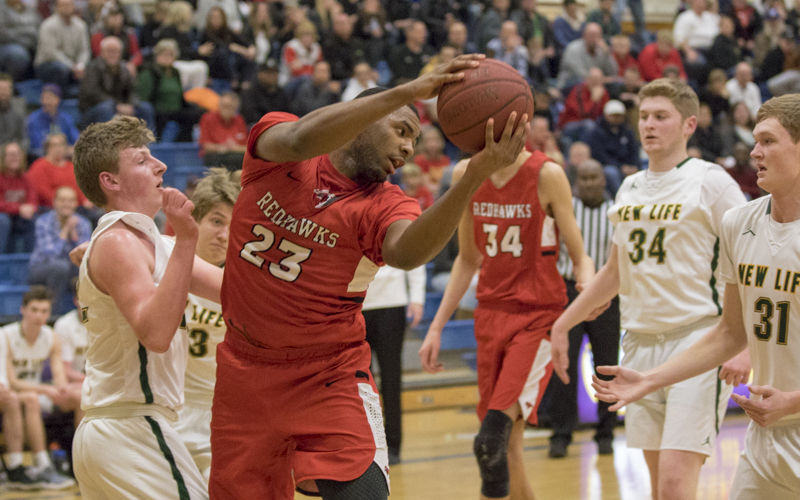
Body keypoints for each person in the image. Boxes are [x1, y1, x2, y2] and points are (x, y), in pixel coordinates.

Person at [211, 53, 529, 500]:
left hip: (327, 374)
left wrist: (475, 174)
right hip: (243, 374)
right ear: (364, 116)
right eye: (401, 131)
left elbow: (406, 253)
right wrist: (405, 93)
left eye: (414, 143)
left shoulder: (386, 203)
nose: (406, 149)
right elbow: (303, 137)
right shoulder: (279, 147)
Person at [592, 92, 800, 500]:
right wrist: (649, 380)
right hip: (766, 441)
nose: (755, 151)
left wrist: (793, 401)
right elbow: (729, 333)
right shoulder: (739, 223)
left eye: (769, 141)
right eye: (755, 140)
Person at [550, 78, 750, 500]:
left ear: (689, 125)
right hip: (638, 345)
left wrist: (743, 341)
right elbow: (613, 272)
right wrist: (563, 324)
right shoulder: (628, 188)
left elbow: (749, 261)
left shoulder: (710, 181)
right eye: (644, 116)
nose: (649, 125)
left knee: (677, 485)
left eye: (661, 116)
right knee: (659, 490)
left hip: (698, 341)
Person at [418, 118, 594, 500]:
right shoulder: (465, 172)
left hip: (537, 318)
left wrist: (588, 287)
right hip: (490, 315)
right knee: (509, 446)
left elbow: (580, 256)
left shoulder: (547, 175)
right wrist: (436, 327)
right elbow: (468, 260)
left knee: (490, 441)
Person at [69, 116, 223, 499]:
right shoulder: (119, 240)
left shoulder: (149, 246)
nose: (161, 165)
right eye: (142, 160)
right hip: (131, 427)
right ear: (111, 181)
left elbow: (241, 291)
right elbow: (155, 335)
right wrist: (188, 238)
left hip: (117, 431)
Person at [547, 158, 619, 458]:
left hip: (607, 294)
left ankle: (606, 432)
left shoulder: (617, 211)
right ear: (577, 182)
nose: (589, 182)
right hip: (567, 290)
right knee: (563, 364)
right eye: (584, 178)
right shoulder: (566, 209)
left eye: (594, 177)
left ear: (604, 179)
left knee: (606, 364)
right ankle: (561, 432)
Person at [174, 168, 240, 483]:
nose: (224, 235)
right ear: (195, 221)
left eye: (232, 225)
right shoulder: (162, 265)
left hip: (223, 416)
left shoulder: (243, 285)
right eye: (216, 221)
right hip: (169, 411)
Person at [2, 286, 79, 489]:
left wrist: (62, 389)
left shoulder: (51, 336)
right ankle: (42, 464)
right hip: (14, 392)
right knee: (31, 398)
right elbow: (12, 381)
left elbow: (59, 376)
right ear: (23, 310)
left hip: (35, 393)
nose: (39, 315)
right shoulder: (7, 336)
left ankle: (80, 463)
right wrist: (46, 390)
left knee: (78, 397)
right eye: (34, 310)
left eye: (44, 311)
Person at [361, 261, 425, 466]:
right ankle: (366, 443)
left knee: (391, 378)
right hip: (357, 302)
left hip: (392, 301)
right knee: (361, 383)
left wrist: (417, 298)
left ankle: (394, 445)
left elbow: (415, 253)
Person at [27, 186, 91, 312]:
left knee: (89, 270)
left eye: (70, 200)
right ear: (54, 202)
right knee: (60, 267)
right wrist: (65, 230)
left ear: (76, 203)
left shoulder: (83, 223)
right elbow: (50, 255)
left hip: (70, 268)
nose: (66, 204)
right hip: (41, 268)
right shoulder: (43, 221)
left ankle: (87, 316)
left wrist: (75, 237)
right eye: (62, 200)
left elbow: (86, 256)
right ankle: (53, 315)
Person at [78, 36, 155, 131]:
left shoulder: (125, 69)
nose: (112, 54)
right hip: (93, 110)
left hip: (119, 106)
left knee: (145, 108)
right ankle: (107, 143)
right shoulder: (93, 67)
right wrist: (116, 105)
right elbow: (91, 93)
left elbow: (132, 91)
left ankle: (148, 142)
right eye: (109, 51)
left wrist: (131, 104)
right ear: (102, 52)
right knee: (106, 109)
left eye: (115, 51)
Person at [33, 0, 90, 94]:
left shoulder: (81, 26)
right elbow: (52, 53)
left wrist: (81, 65)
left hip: (74, 66)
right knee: (60, 69)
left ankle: (82, 101)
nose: (66, 8)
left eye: (68, 5)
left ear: (73, 6)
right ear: (56, 8)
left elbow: (84, 50)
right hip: (48, 65)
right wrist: (72, 66)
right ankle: (60, 99)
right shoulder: (48, 25)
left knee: (92, 70)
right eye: (62, 5)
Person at [0, 141, 37, 253]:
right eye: (11, 155)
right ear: (2, 157)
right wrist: (18, 208)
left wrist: (31, 208)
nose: (15, 158)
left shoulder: (26, 177)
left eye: (17, 154)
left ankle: (29, 261)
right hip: (4, 215)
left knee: (33, 220)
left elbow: (33, 199)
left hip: (19, 216)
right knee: (3, 221)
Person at [26, 84, 80, 157]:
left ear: (58, 100)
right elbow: (37, 146)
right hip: (42, 158)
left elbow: (76, 141)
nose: (46, 102)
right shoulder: (33, 119)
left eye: (50, 98)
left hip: (64, 159)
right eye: (44, 98)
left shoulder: (66, 118)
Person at [198, 92, 247, 169]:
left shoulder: (239, 120)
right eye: (225, 106)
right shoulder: (208, 118)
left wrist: (233, 148)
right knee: (236, 159)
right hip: (214, 155)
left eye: (231, 107)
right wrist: (223, 147)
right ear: (219, 106)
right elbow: (206, 147)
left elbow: (246, 147)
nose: (227, 109)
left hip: (236, 155)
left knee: (244, 158)